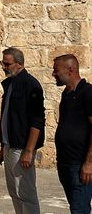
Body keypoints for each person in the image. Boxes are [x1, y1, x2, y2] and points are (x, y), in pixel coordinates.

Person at [0, 47, 45, 214]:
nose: (4, 66)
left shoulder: (31, 85)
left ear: (19, 64)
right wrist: (3, 146)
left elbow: (37, 121)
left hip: (21, 147)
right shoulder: (9, 84)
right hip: (9, 145)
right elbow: (7, 117)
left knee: (26, 193)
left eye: (7, 64)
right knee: (14, 192)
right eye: (3, 63)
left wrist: (29, 150)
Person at [52, 54, 92, 214]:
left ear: (70, 70)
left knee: (79, 209)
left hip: (80, 163)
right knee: (75, 207)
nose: (53, 74)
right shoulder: (67, 94)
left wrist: (89, 163)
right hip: (65, 162)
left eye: (56, 70)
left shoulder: (88, 93)